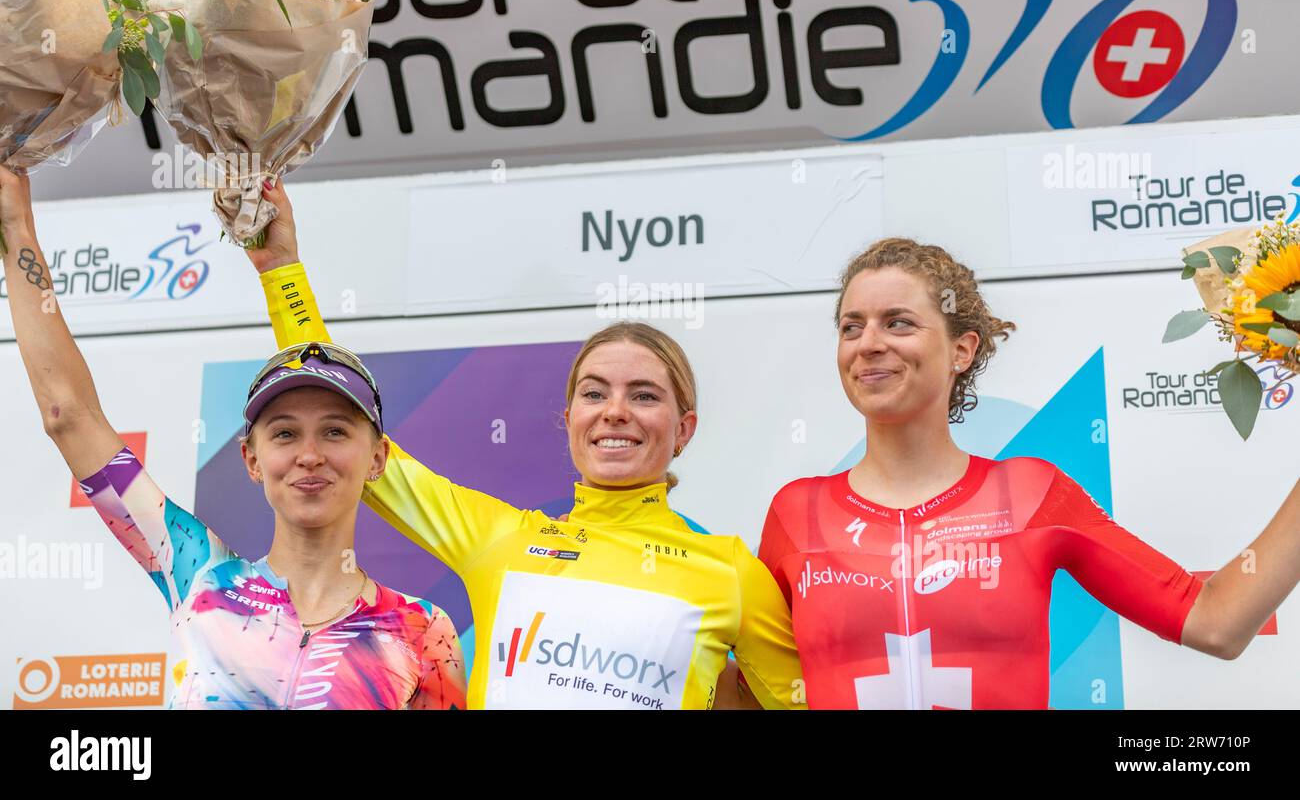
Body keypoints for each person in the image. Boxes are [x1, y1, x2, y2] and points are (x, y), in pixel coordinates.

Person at [240, 180, 805, 710]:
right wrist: (280, 272)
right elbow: (350, 419)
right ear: (570, 419)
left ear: (684, 429)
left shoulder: (728, 570)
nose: (615, 411)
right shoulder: (501, 539)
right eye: (595, 393)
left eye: (644, 395)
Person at [759, 237, 1300, 709]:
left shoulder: (1029, 494)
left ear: (962, 350)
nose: (868, 342)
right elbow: (752, 689)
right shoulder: (796, 512)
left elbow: (1215, 622)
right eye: (851, 327)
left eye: (897, 322)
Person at [0, 166, 466, 710]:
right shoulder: (197, 572)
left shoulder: (422, 632)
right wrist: (16, 227)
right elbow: (68, 415)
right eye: (285, 433)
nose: (309, 455)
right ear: (251, 458)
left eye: (335, 431)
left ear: (378, 458)